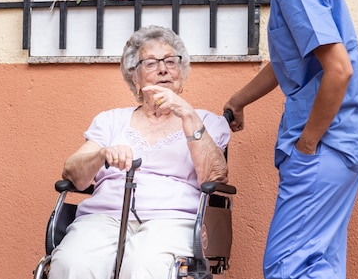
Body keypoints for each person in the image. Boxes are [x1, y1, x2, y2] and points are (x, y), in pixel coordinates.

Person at [217, 0, 358, 279]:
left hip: (324, 146)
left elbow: (339, 69)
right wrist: (239, 99)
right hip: (341, 143)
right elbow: (292, 61)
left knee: (287, 266)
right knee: (317, 263)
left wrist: (307, 144)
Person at [48, 25, 230, 279]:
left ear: (181, 72)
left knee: (145, 266)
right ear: (135, 76)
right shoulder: (111, 121)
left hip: (173, 221)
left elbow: (216, 179)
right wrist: (102, 154)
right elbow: (74, 174)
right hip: (104, 218)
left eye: (171, 61)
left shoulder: (206, 122)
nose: (164, 69)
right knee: (72, 263)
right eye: (152, 63)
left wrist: (187, 115)